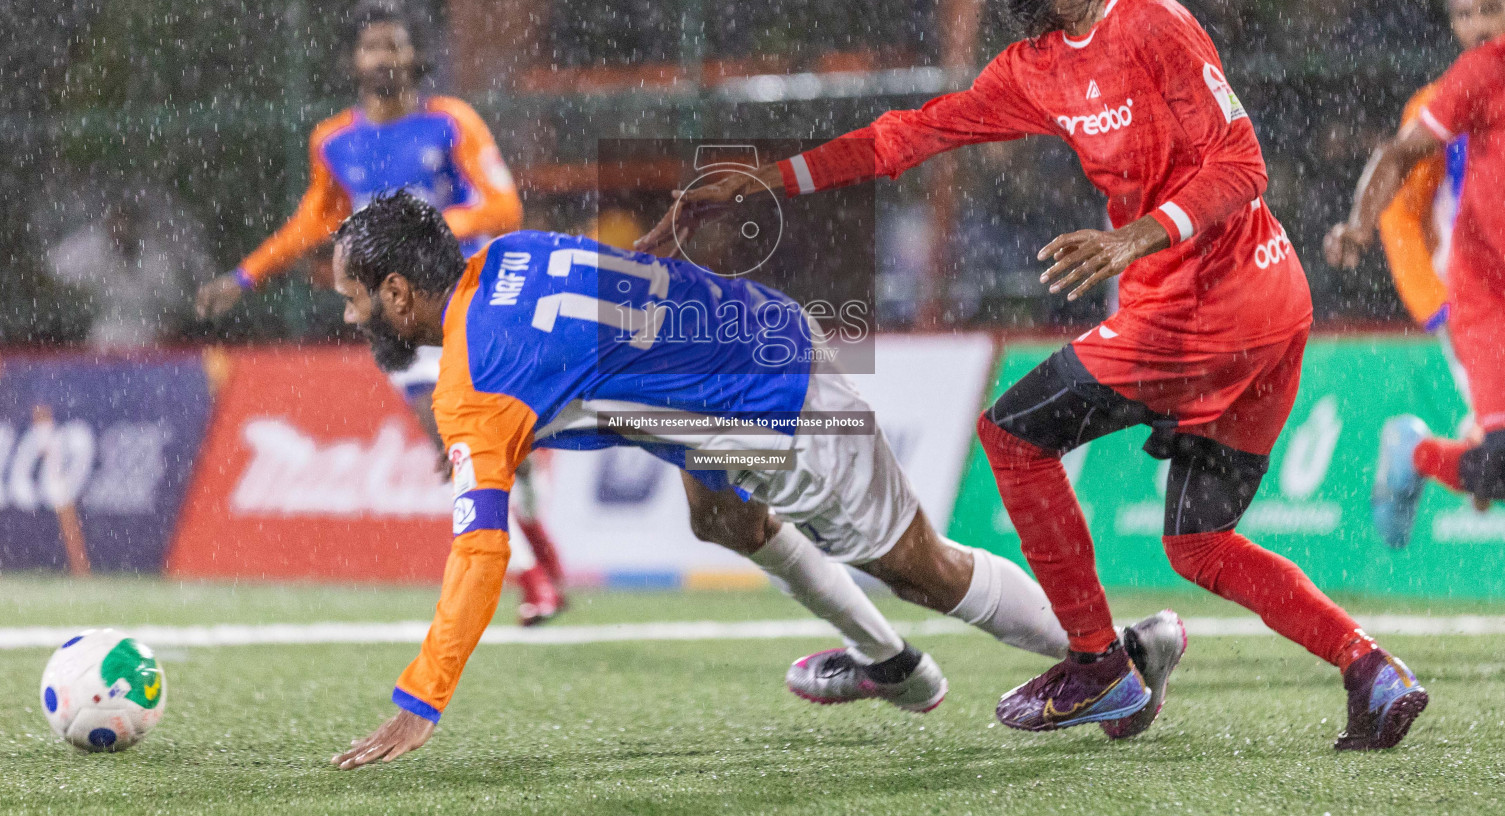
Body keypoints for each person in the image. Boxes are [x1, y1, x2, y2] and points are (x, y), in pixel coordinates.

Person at [640, 0, 1428, 750]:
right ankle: (1371, 670)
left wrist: (1134, 236)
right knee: (1197, 546)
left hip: (1208, 311)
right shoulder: (1036, 68)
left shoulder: (1153, 23)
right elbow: (909, 135)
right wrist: (769, 180)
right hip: (1259, 310)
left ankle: (1098, 665)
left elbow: (1241, 163)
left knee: (1011, 436)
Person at [324, 193, 1184, 769]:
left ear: (399, 292)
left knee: (918, 565)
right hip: (745, 337)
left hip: (771, 399)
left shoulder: (472, 384)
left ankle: (1112, 656)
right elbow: (599, 309)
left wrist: (421, 698)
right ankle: (888, 663)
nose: (350, 314)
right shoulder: (510, 255)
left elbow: (479, 551)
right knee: (723, 519)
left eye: (355, 297)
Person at [192, 0, 565, 624]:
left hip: (467, 304)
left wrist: (419, 228)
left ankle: (545, 565)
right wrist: (245, 276)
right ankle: (535, 581)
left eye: (394, 44)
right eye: (372, 46)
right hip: (395, 317)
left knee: (506, 453)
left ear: (415, 54)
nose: (383, 56)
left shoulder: (451, 123)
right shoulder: (334, 142)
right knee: (450, 437)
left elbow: (504, 209)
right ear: (353, 60)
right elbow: (314, 219)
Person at [1326, 0, 1505, 536]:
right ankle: (1429, 454)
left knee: (1496, 465)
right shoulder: (1467, 84)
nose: (1478, 26)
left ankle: (1472, 462)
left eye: (1490, 10)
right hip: (1482, 293)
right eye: (1464, 15)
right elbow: (1400, 179)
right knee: (1499, 462)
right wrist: (1359, 227)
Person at [47, 184, 211, 350]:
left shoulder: (156, 257)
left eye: (126, 221)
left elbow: (175, 302)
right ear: (107, 222)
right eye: (116, 220)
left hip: (148, 339)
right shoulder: (88, 248)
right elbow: (51, 274)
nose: (121, 228)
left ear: (137, 224)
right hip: (102, 338)